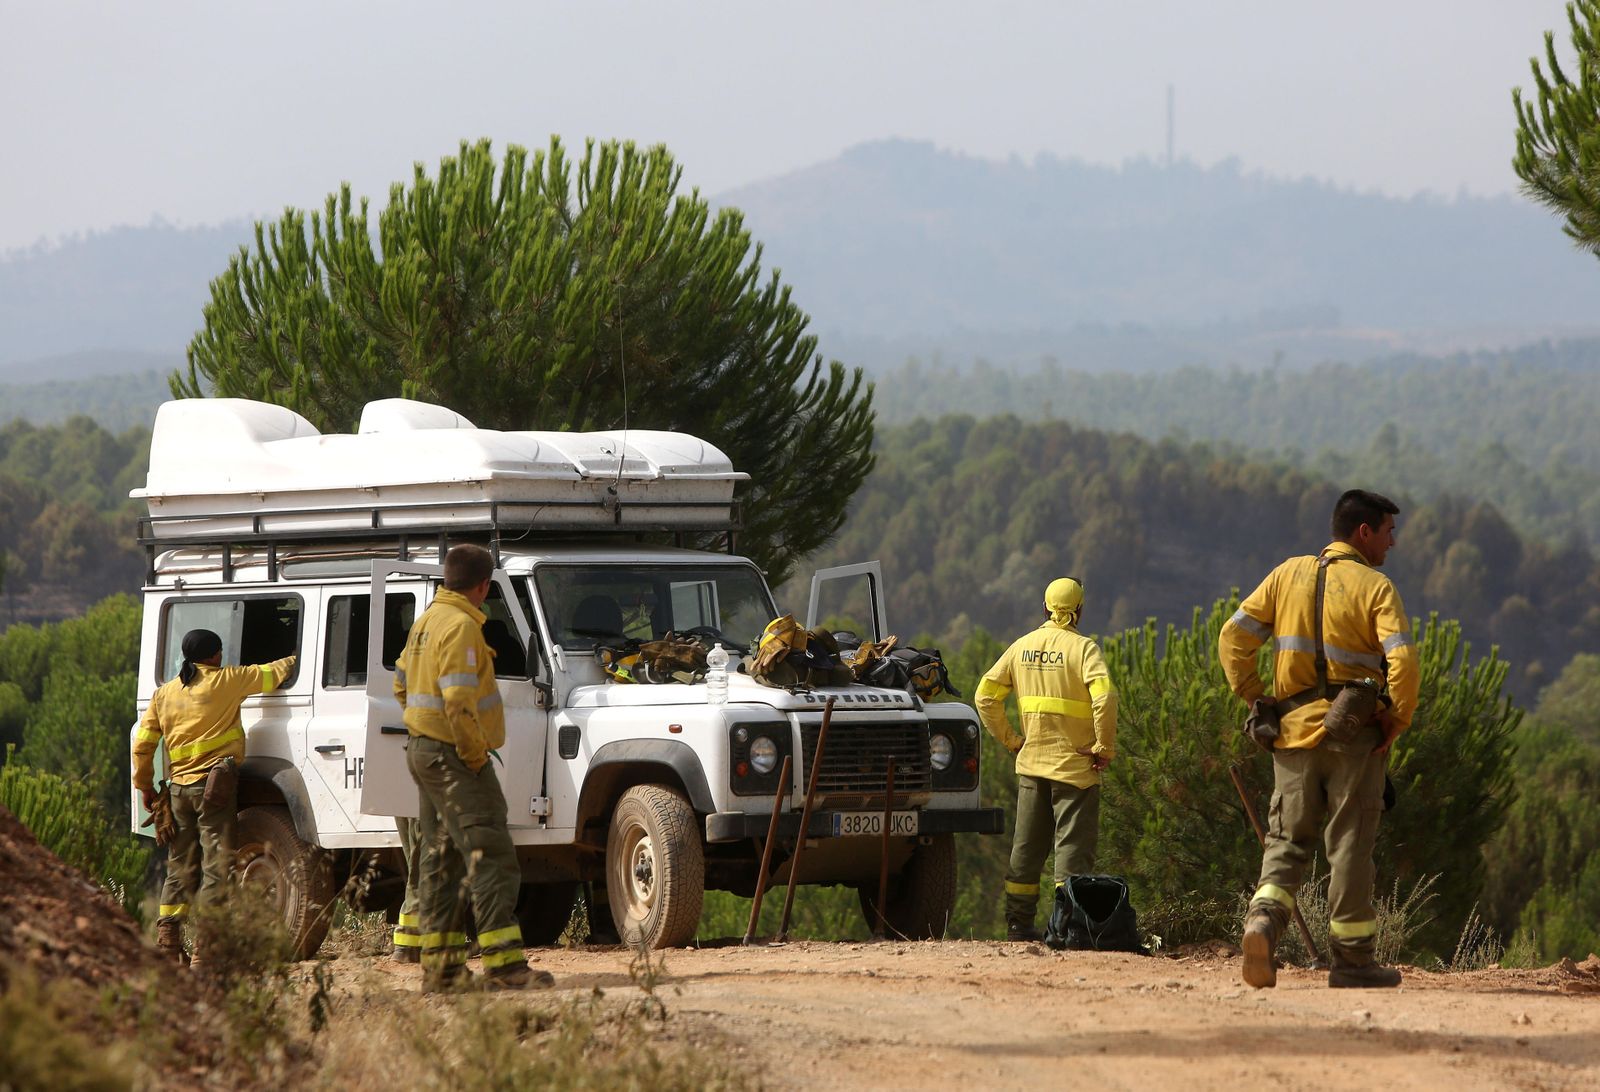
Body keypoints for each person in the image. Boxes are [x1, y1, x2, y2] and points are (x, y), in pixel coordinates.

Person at [1218, 488, 1421, 989]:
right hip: (1355, 737)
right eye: (1389, 532)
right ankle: (1353, 963)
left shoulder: (1287, 574)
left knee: (1286, 841)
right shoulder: (1375, 587)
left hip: (1289, 734)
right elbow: (1404, 661)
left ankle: (1262, 923)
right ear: (1364, 532)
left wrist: (1253, 696)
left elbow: (1233, 637)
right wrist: (1397, 716)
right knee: (1349, 843)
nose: (1392, 543)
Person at [395, 543, 550, 992]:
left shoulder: (425, 623)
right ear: (484, 586)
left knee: (439, 858)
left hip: (423, 749)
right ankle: (504, 968)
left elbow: (400, 685)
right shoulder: (461, 626)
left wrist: (423, 727)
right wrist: (474, 754)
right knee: (492, 853)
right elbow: (459, 701)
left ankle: (442, 973)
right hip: (454, 755)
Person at [133, 629, 295, 964]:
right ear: (214, 655)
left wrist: (145, 786)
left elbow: (143, 745)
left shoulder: (165, 694)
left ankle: (168, 941)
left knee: (179, 867)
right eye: (220, 652)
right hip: (214, 791)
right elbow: (274, 673)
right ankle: (206, 951)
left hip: (177, 792)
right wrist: (298, 655)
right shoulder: (227, 681)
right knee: (216, 867)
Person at [975, 577, 1117, 942]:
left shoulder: (1022, 647)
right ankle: (1067, 929)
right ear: (1080, 611)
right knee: (1070, 853)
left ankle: (1018, 926)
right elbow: (1105, 699)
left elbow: (985, 697)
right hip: (1075, 771)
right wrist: (1104, 748)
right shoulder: (1084, 650)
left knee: (1025, 852)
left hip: (1031, 766)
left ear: (1044, 609)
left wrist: (1013, 741)